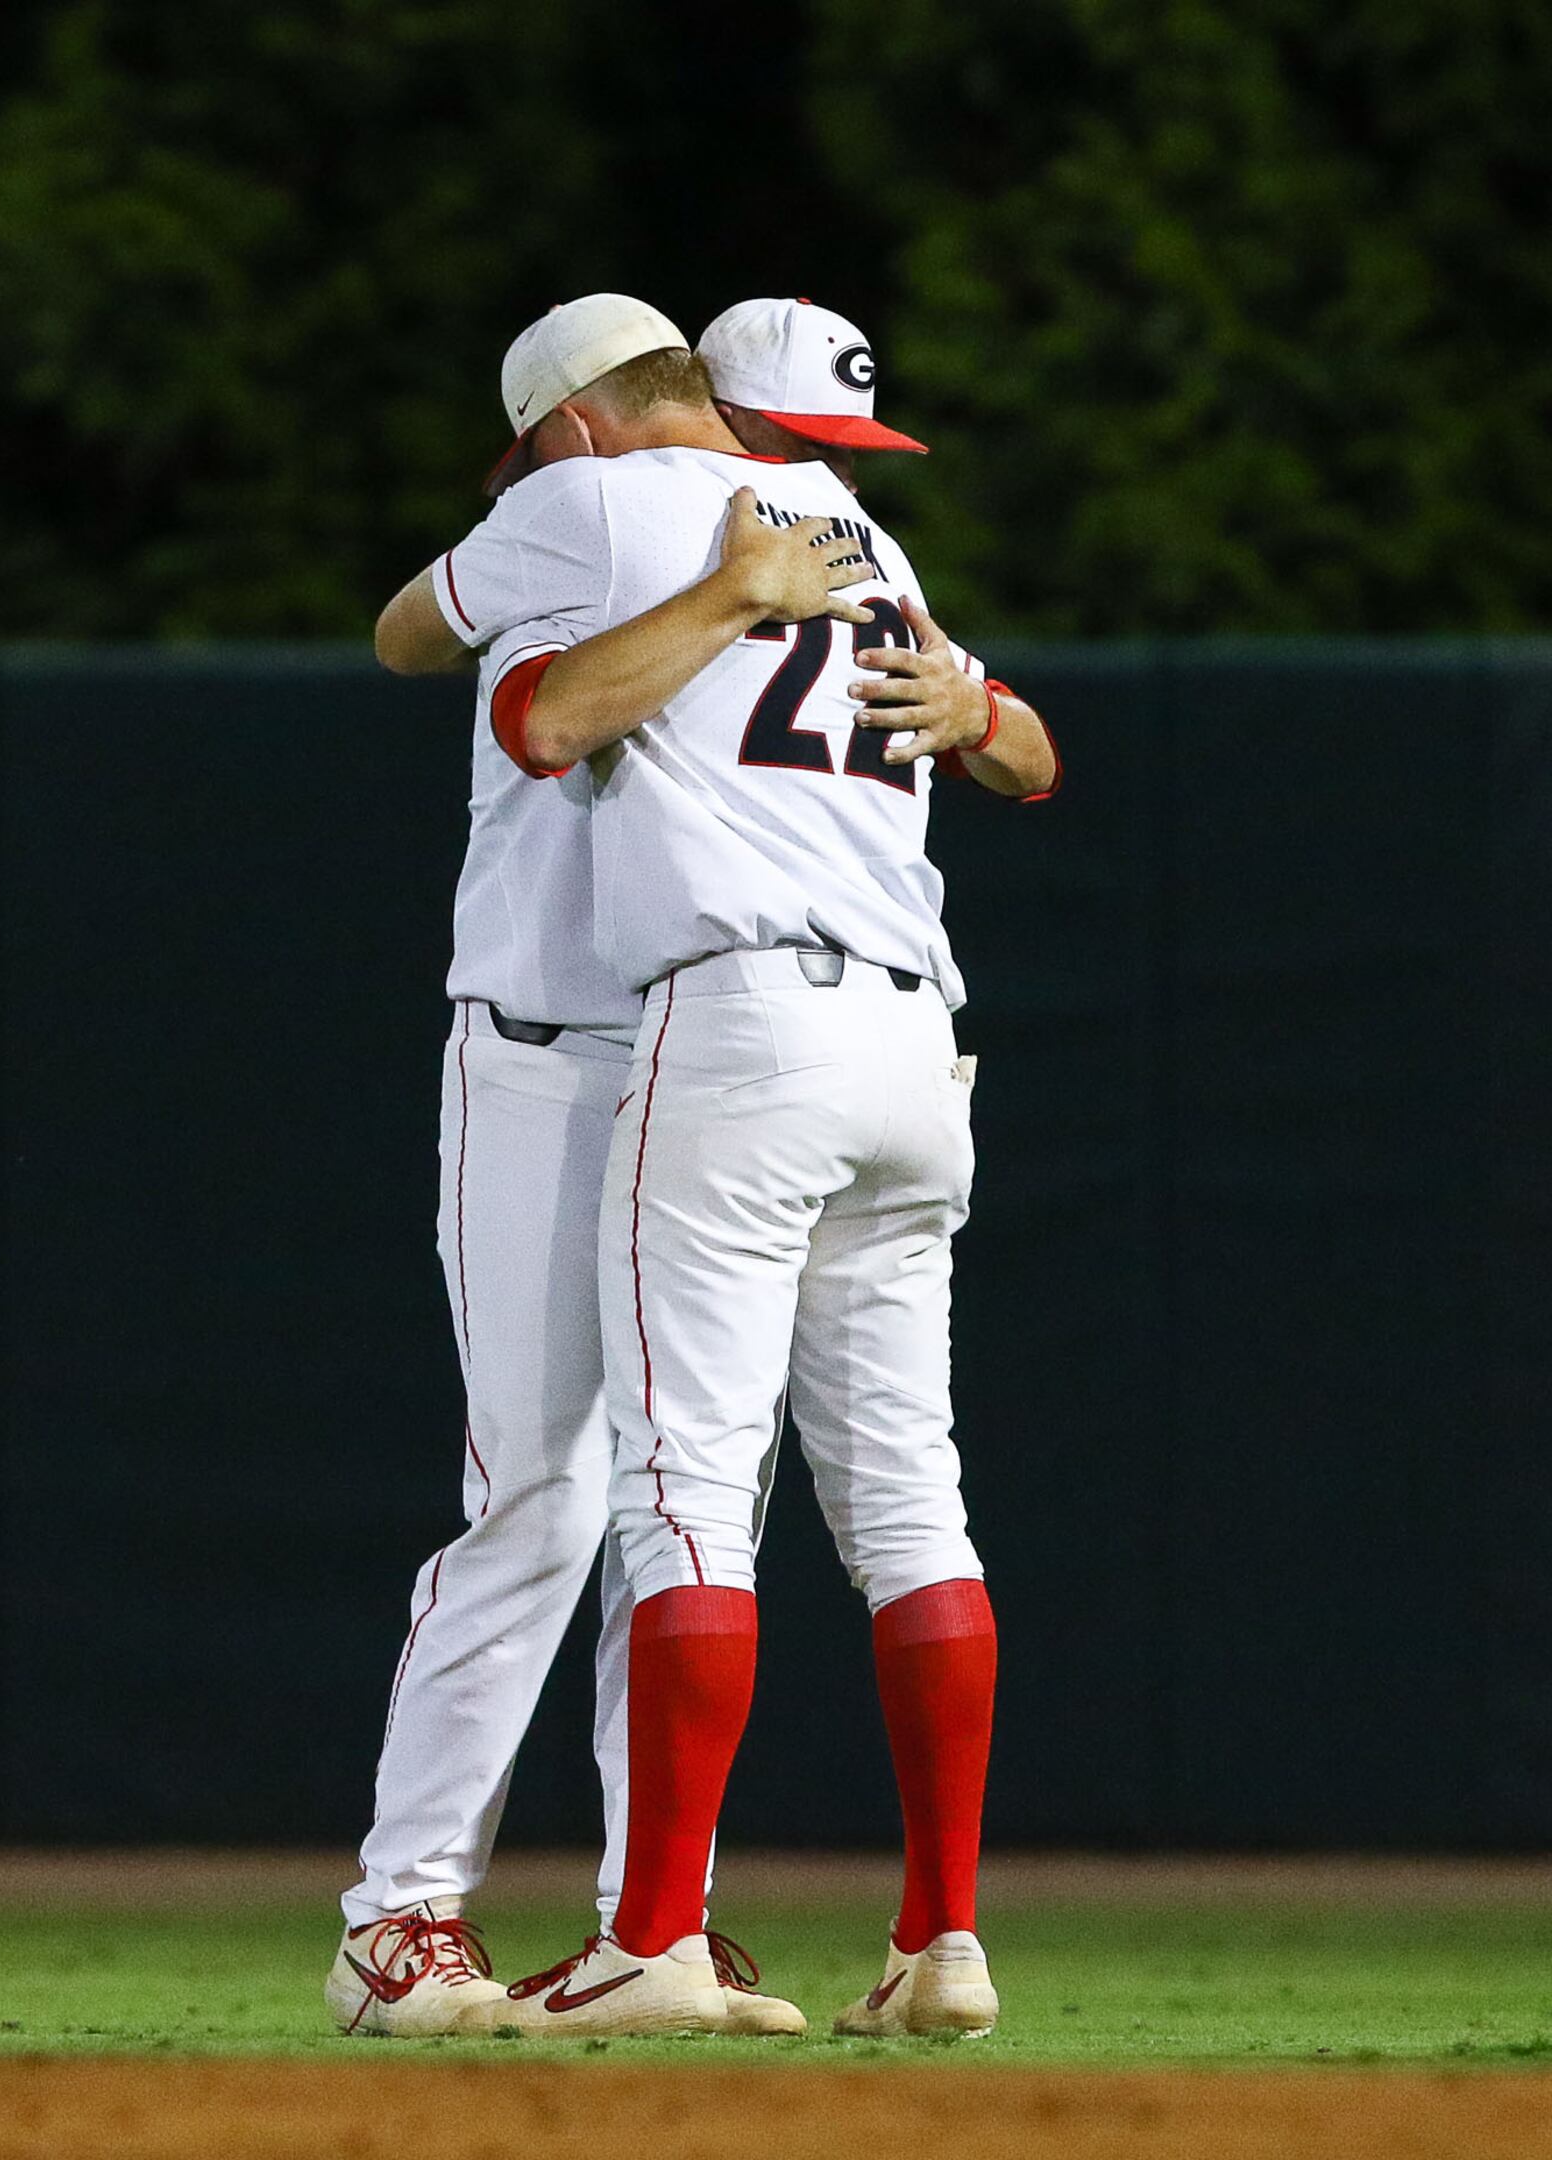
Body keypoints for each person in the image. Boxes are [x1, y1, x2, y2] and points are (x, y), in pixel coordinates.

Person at [331, 294, 1051, 2041]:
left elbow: (413, 641)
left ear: (563, 425)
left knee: (670, 1491)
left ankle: (655, 1923)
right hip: (590, 1044)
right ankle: (407, 1918)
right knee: (565, 1491)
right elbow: (445, 653)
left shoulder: (722, 514)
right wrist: (732, 596)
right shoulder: (780, 528)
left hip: (700, 1040)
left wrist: (778, 612)